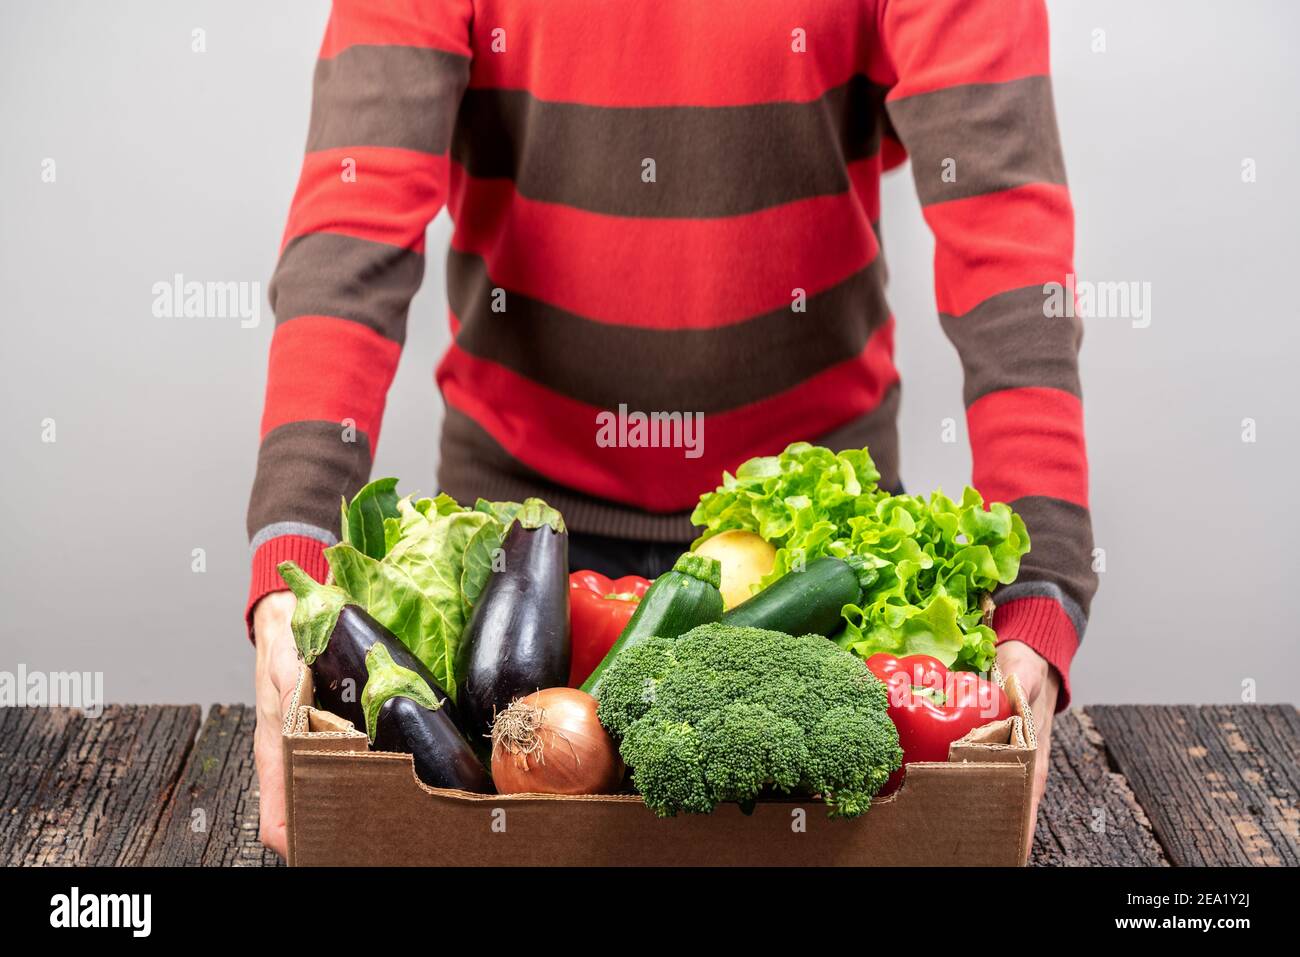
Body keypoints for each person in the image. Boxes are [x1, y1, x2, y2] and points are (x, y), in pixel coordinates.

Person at [249, 0, 1097, 857]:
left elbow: (1005, 223)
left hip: (820, 574)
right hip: (513, 578)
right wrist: (295, 554)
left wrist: (1042, 584)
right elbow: (355, 222)